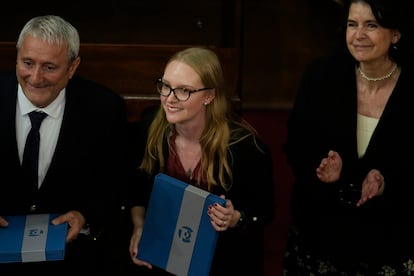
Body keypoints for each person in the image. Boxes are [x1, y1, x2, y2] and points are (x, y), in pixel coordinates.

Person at [283, 0, 414, 275]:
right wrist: (323, 170)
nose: (359, 35)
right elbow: (296, 144)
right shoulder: (320, 76)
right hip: (321, 233)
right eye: (352, 25)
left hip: (389, 238)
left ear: (395, 34)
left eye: (371, 25)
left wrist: (385, 181)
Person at [127, 47, 275, 275]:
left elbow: (264, 213)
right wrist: (139, 227)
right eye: (165, 86)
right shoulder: (150, 127)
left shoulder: (246, 148)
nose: (169, 98)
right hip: (162, 256)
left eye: (184, 90)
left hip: (220, 261)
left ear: (209, 96)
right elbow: (136, 190)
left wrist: (235, 218)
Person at [0, 15, 130, 273]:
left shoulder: (105, 109)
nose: (35, 77)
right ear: (16, 58)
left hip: (70, 258)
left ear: (73, 66)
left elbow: (115, 183)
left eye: (49, 67)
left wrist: (86, 215)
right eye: (27, 63)